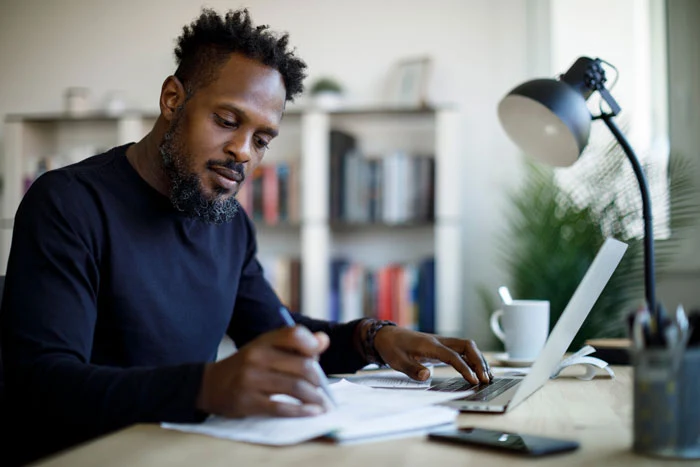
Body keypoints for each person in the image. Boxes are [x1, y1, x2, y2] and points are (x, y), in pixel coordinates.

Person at [0, 8, 492, 465]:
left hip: (182, 451)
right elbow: (43, 383)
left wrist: (373, 338)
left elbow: (278, 330)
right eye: (227, 121)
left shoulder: (229, 222)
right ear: (173, 99)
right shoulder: (68, 203)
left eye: (261, 139)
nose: (242, 152)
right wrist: (205, 387)